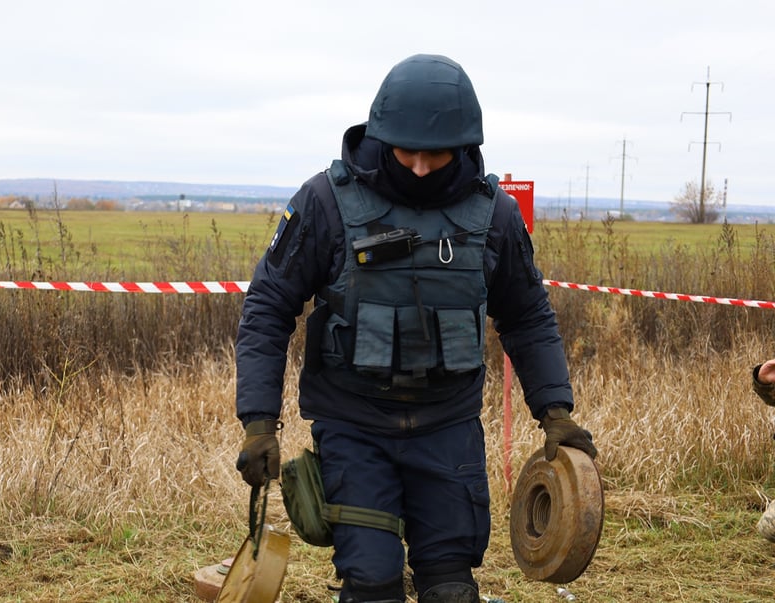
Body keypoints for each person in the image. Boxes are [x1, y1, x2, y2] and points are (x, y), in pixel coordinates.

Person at [233, 54, 598, 603]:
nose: (422, 167)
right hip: (353, 425)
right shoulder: (325, 203)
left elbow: (526, 316)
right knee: (372, 582)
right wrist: (259, 422)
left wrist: (556, 413)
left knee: (451, 587)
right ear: (382, 135)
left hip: (446, 427)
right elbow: (267, 307)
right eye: (409, 152)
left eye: (437, 154)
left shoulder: (494, 215)